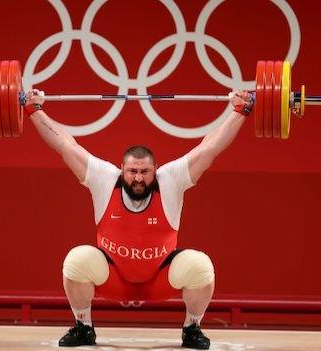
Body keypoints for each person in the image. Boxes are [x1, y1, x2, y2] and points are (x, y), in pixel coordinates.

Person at [23, 89, 253, 349]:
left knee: (201, 267)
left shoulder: (171, 179)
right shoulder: (104, 178)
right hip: (112, 278)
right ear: (122, 170)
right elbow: (65, 145)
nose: (139, 178)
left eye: (145, 171)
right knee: (76, 261)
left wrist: (240, 110)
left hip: (161, 279)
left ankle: (192, 329)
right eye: (133, 171)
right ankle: (83, 327)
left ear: (155, 170)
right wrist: (34, 109)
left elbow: (209, 148)